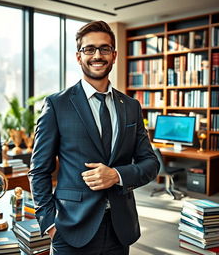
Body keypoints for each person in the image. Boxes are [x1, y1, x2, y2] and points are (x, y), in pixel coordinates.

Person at [28, 21, 160, 255]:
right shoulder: (57, 105)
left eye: (104, 49)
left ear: (114, 55)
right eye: (89, 49)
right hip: (71, 228)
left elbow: (150, 163)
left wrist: (117, 175)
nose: (97, 55)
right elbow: (39, 170)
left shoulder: (131, 107)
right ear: (79, 57)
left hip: (121, 228)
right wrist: (48, 223)